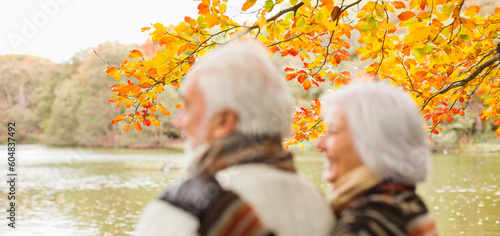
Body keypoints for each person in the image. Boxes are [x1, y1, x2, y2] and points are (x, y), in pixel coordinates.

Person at [135, 40, 334, 236]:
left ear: (223, 121)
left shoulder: (184, 209)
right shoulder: (319, 203)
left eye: (187, 106)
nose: (178, 122)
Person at [315, 81, 438, 236]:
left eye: (333, 131)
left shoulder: (364, 225)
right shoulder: (405, 203)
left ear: (372, 142)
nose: (319, 144)